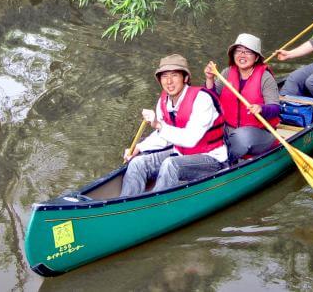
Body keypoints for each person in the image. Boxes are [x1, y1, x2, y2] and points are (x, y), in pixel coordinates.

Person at [120, 54, 228, 197]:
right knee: (137, 163)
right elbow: (163, 137)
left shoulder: (202, 99)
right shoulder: (164, 100)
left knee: (171, 164)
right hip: (180, 154)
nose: (169, 81)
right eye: (164, 76)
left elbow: (190, 139)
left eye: (174, 75)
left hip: (212, 160)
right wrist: (138, 148)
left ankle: (155, 208)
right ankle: (127, 205)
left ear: (185, 78)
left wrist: (158, 125)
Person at [204, 33, 280, 163]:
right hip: (228, 129)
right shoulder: (226, 73)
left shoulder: (265, 77)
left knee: (241, 137)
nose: (242, 55)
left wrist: (261, 109)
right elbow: (210, 100)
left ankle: (222, 164)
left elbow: (275, 108)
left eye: (248, 52)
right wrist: (209, 79)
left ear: (256, 57)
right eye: (238, 51)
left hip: (258, 133)